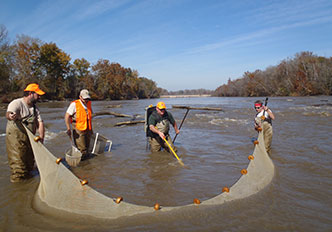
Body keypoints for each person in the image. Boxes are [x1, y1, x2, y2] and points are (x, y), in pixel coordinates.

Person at [5, 83, 45, 183]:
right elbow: (8, 113)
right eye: (37, 94)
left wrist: (41, 137)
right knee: (19, 168)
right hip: (16, 139)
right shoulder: (17, 103)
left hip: (29, 139)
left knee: (29, 166)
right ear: (30, 93)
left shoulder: (35, 108)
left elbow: (40, 123)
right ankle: (18, 192)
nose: (39, 96)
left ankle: (28, 188)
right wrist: (11, 116)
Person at [65, 89, 93, 159]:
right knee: (82, 150)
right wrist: (68, 128)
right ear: (80, 97)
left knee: (88, 148)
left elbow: (89, 115)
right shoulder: (74, 104)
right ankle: (82, 166)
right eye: (85, 98)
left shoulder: (89, 103)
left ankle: (88, 165)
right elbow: (67, 116)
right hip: (78, 129)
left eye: (87, 98)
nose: (86, 100)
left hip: (88, 128)